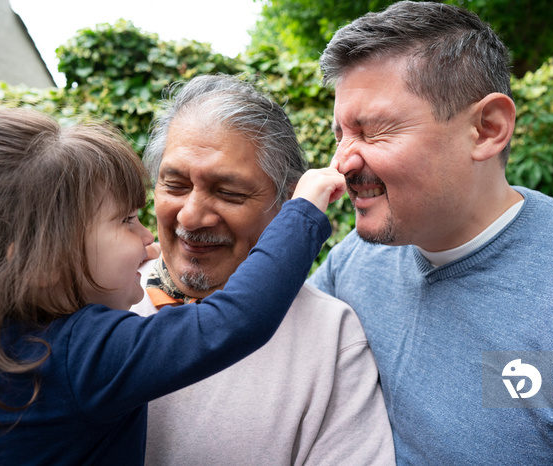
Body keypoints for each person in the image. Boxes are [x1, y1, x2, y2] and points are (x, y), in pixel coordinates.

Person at [309, 1, 553, 464]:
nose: (342, 161)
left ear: (487, 129)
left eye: (373, 131)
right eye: (340, 132)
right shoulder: (353, 264)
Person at [0, 107, 345, 464]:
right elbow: (234, 319)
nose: (147, 236)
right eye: (126, 220)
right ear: (43, 262)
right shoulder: (84, 353)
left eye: (228, 192)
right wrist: (303, 211)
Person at [131, 74, 395, 465]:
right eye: (175, 185)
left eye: (229, 193)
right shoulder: (92, 299)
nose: (191, 215)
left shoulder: (332, 338)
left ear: (289, 202)